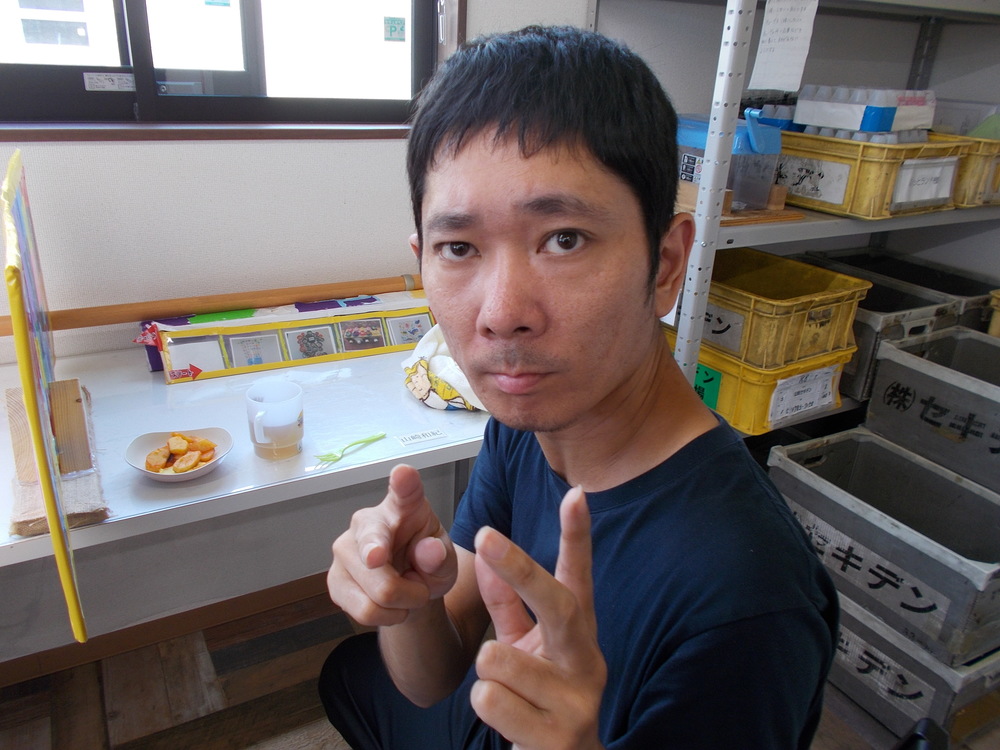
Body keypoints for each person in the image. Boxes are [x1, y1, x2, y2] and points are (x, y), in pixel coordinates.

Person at [319, 25, 838, 750]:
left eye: (563, 239)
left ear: (665, 264)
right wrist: (407, 595)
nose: (502, 313)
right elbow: (435, 673)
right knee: (349, 671)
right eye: (459, 248)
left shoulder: (746, 602)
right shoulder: (529, 419)